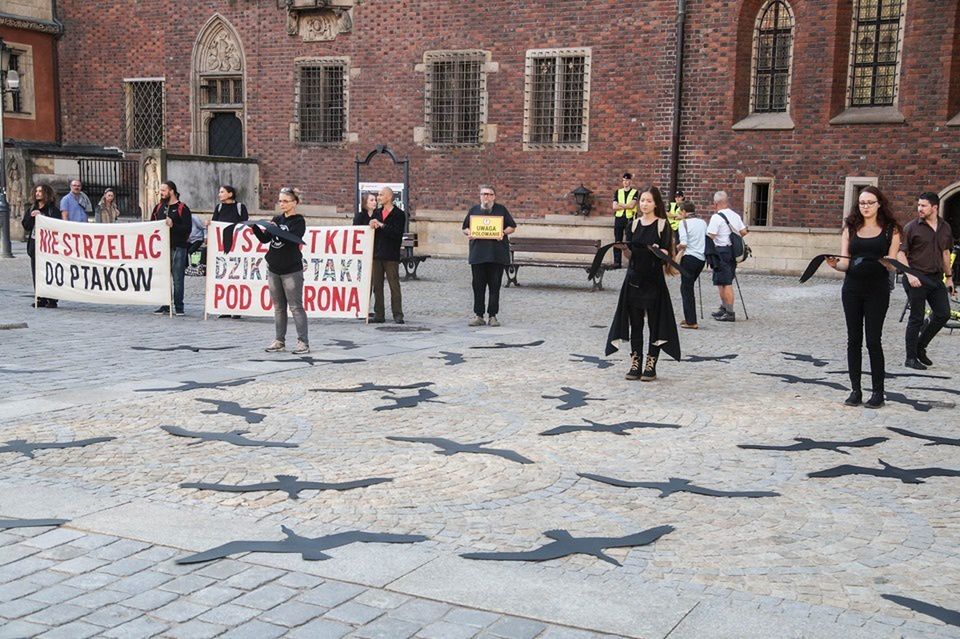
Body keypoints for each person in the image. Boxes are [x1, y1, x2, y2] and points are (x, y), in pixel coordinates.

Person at [826, 186, 902, 408]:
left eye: (870, 202)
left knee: (873, 341)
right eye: (862, 203)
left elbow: (892, 264)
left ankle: (878, 392)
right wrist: (834, 264)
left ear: (879, 204)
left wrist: (888, 262)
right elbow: (845, 263)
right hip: (852, 288)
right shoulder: (850, 227)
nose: (866, 206)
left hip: (877, 289)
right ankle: (855, 390)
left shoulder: (891, 230)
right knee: (853, 340)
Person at [607, 185, 681, 381]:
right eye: (642, 201)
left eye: (648, 201)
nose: (644, 204)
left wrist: (659, 251)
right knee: (636, 323)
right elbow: (631, 255)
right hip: (634, 280)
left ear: (656, 203)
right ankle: (636, 362)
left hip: (653, 280)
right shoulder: (633, 224)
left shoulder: (662, 224)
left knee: (655, 324)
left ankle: (651, 364)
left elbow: (667, 253)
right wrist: (624, 250)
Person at [898, 191, 957, 370]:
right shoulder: (911, 227)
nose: (920, 209)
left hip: (935, 278)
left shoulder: (945, 227)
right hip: (915, 277)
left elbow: (946, 253)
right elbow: (900, 253)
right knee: (916, 317)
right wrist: (910, 275)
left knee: (943, 314)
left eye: (923, 206)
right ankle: (910, 358)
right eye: (919, 205)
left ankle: (920, 347)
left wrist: (949, 278)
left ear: (934, 207)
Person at [254, 187, 309, 354]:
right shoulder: (277, 219)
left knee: (295, 307)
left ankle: (303, 342)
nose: (282, 204)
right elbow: (265, 239)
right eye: (280, 201)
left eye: (286, 201)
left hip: (291, 269)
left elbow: (293, 239)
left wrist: (275, 229)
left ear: (295, 203)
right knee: (278, 307)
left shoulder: (298, 221)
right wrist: (257, 228)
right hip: (274, 267)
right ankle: (279, 340)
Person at [461, 184, 517, 327]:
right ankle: (478, 315)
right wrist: (470, 233)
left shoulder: (501, 210)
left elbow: (512, 227)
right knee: (477, 287)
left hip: (496, 255)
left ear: (494, 196)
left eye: (489, 194)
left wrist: (503, 233)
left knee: (494, 287)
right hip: (478, 255)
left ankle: (492, 316)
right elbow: (464, 228)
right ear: (480, 196)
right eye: (484, 194)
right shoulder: (474, 210)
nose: (486, 197)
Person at [150, 181, 192, 316]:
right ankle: (165, 304)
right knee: (163, 277)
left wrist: (173, 225)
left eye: (163, 190)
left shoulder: (182, 208)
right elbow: (152, 225)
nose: (161, 193)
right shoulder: (158, 207)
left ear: (171, 191)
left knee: (178, 278)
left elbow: (187, 229)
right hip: (162, 247)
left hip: (178, 247)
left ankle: (179, 306)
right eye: (160, 190)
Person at [366, 187, 406, 324]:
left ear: (389, 197)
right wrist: (370, 224)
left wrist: (382, 225)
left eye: (381, 195)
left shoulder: (399, 214)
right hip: (377, 254)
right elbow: (370, 230)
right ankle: (379, 314)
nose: (378, 197)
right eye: (378, 194)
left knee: (394, 285)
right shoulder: (376, 212)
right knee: (377, 286)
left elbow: (396, 233)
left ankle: (398, 314)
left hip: (391, 255)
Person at [706, 191, 748, 322]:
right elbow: (743, 232)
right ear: (727, 201)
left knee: (726, 283)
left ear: (715, 204)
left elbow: (710, 236)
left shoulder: (716, 218)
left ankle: (729, 312)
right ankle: (724, 308)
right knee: (722, 281)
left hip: (721, 251)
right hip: (732, 252)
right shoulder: (735, 215)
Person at [21, 184, 60, 309]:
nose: (37, 193)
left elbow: (56, 225)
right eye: (36, 191)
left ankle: (52, 299)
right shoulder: (32, 207)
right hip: (35, 246)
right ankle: (40, 298)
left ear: (46, 193)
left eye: (40, 191)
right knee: (36, 273)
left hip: (48, 247)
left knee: (49, 272)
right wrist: (33, 217)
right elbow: (26, 225)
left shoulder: (52, 209)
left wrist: (42, 217)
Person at [676, 201, 707, 329]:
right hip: (701, 259)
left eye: (679, 212)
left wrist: (677, 248)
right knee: (688, 287)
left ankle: (691, 321)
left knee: (686, 289)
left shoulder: (683, 223)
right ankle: (690, 317)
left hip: (689, 258)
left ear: (684, 212)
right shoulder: (703, 223)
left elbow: (683, 243)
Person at [611, 173, 637, 269]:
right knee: (618, 240)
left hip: (630, 218)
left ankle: (631, 262)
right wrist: (626, 205)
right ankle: (617, 262)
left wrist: (620, 204)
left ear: (630, 181)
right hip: (619, 218)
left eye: (627, 180)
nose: (625, 182)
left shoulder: (635, 192)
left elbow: (632, 206)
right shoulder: (618, 192)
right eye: (624, 180)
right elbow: (614, 206)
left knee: (630, 240)